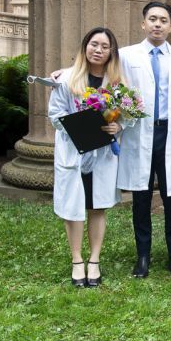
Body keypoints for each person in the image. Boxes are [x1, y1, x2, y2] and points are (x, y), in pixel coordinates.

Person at [118, 2, 171, 278]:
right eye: (152, 19)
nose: (157, 24)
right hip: (141, 133)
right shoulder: (127, 56)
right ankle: (143, 255)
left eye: (163, 20)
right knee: (141, 195)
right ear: (143, 24)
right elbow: (96, 66)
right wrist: (62, 74)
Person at [48, 27, 122, 287]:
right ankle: (77, 260)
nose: (98, 50)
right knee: (73, 207)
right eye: (94, 44)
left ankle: (95, 260)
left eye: (104, 46)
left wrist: (118, 126)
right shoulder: (67, 79)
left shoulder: (116, 84)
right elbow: (55, 114)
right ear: (85, 47)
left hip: (101, 155)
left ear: (111, 52)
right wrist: (81, 125)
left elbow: (125, 116)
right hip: (74, 150)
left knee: (97, 206)